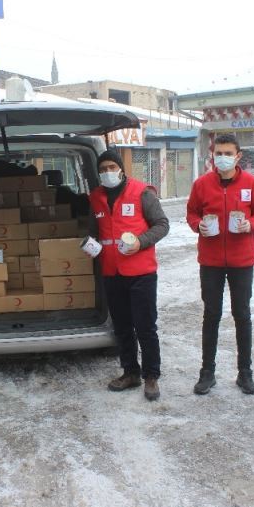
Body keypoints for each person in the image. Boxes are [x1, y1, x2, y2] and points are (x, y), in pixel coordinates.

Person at [186, 133, 254, 396]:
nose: (222, 158)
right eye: (218, 153)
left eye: (227, 153)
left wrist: (251, 224)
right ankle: (207, 372)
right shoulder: (201, 184)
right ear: (212, 155)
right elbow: (191, 212)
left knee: (242, 315)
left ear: (238, 156)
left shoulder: (252, 183)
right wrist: (197, 225)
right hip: (210, 261)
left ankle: (245, 373)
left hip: (241, 260)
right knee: (211, 315)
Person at [87, 149, 169, 401]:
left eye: (111, 167)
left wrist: (141, 242)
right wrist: (90, 244)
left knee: (145, 326)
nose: (107, 172)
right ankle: (130, 372)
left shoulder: (142, 192)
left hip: (141, 272)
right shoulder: (96, 197)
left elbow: (162, 225)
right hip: (112, 271)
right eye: (102, 169)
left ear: (121, 169)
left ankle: (151, 376)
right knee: (122, 327)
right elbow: (94, 229)